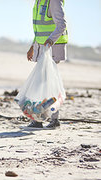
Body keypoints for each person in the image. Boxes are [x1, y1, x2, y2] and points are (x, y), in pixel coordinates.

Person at [26, 0, 68, 129]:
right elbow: (39, 29)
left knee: (42, 84)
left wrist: (50, 41)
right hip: (43, 47)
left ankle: (41, 120)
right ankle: (50, 119)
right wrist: (33, 46)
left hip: (52, 48)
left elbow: (62, 24)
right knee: (45, 84)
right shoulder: (39, 2)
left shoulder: (53, 1)